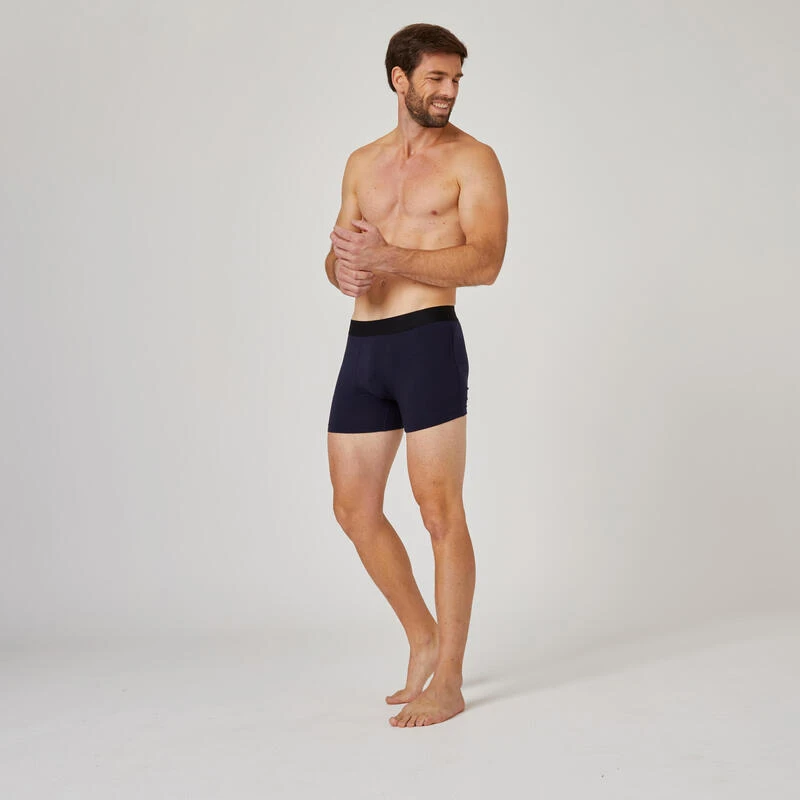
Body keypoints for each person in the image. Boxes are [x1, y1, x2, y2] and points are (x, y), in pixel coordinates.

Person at [325, 23, 508, 728]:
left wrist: (390, 257)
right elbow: (339, 253)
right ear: (398, 79)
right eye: (436, 77)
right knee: (353, 509)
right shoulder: (362, 162)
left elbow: (486, 261)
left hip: (428, 342)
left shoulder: (474, 160)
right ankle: (422, 634)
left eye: (456, 79)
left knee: (439, 514)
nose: (449, 90)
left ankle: (450, 680)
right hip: (364, 347)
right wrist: (342, 267)